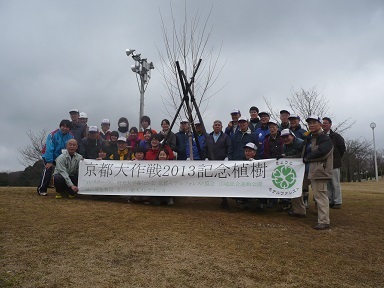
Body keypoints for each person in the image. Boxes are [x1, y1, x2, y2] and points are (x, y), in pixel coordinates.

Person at [302, 115, 333, 230]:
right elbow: (302, 153)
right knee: (297, 189)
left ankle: (324, 221)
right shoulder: (309, 138)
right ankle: (300, 211)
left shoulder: (325, 138)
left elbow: (323, 152)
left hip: (320, 171)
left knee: (320, 196)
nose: (312, 125)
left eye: (314, 122)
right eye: (310, 123)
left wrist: (308, 158)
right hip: (307, 170)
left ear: (320, 124)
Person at [37, 119, 73, 196]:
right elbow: (49, 148)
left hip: (61, 157)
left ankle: (64, 190)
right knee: (48, 170)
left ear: (69, 128)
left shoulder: (71, 136)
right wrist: (50, 161)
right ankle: (42, 189)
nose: (65, 128)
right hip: (49, 156)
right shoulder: (52, 135)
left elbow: (70, 147)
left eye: (67, 127)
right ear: (60, 126)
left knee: (64, 172)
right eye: (63, 126)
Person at [279, 129, 306, 217]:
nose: (285, 139)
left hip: (306, 168)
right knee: (295, 188)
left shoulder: (301, 143)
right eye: (283, 137)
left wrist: (286, 156)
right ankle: (299, 210)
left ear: (292, 135)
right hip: (294, 170)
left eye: (287, 136)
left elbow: (301, 156)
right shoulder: (284, 146)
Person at [322, 117, 346, 209]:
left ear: (330, 124)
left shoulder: (336, 136)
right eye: (323, 123)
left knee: (335, 183)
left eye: (326, 123)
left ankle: (337, 201)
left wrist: (336, 158)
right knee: (328, 184)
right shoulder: (321, 136)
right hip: (324, 164)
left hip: (334, 163)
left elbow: (342, 148)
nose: (324, 125)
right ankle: (330, 200)